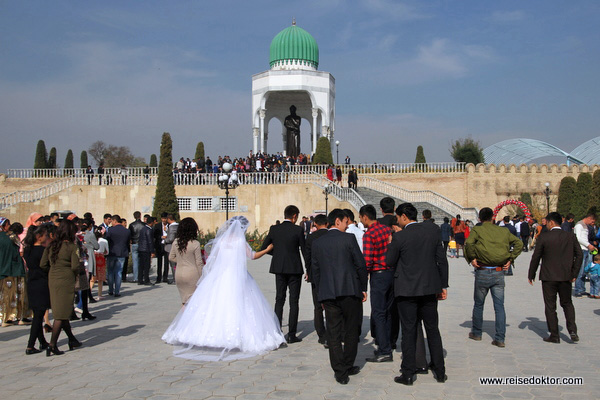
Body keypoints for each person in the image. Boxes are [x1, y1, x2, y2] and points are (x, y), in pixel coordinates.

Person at [162, 216, 283, 360]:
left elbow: (213, 258)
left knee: (215, 305)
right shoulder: (240, 241)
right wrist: (267, 249)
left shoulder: (221, 241)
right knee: (240, 305)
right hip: (238, 277)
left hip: (220, 275)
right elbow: (252, 256)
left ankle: (204, 334)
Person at [386, 203, 448, 385]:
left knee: (409, 331)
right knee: (432, 329)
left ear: (404, 216)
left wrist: (391, 244)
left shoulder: (400, 236)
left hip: (407, 291)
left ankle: (408, 373)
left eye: (398, 217)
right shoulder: (432, 232)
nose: (397, 220)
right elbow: (442, 261)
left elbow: (390, 261)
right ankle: (440, 370)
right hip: (429, 288)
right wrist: (443, 285)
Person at [312, 209, 367, 385]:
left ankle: (339, 371)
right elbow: (360, 265)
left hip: (328, 293)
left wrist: (320, 296)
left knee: (333, 333)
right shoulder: (348, 239)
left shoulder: (318, 243)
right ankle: (348, 364)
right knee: (351, 330)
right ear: (337, 221)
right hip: (350, 291)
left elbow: (316, 271)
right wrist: (363, 288)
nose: (347, 225)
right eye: (345, 222)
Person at [465, 207, 523, 348]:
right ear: (493, 217)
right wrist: (510, 258)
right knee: (499, 306)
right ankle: (500, 338)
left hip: (482, 271)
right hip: (498, 272)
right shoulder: (503, 231)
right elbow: (519, 243)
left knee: (479, 304)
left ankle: (477, 333)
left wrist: (472, 258)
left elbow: (469, 244)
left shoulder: (477, 230)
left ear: (480, 219)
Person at [528, 212, 583, 343]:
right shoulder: (570, 236)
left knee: (550, 306)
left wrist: (531, 274)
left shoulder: (544, 237)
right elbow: (579, 255)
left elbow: (536, 257)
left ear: (551, 222)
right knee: (567, 303)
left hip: (548, 276)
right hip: (566, 276)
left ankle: (554, 335)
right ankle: (572, 330)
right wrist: (574, 273)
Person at [260, 205, 306, 344]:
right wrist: (309, 268)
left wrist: (278, 253)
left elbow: (265, 248)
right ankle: (292, 334)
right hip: (294, 268)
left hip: (279, 268)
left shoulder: (274, 229)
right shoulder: (298, 229)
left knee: (279, 299)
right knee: (294, 301)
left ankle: (277, 331)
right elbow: (304, 250)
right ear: (294, 216)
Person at [40, 219, 82, 356]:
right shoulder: (72, 247)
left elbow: (43, 264)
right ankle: (52, 345)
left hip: (53, 278)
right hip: (66, 279)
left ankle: (72, 339)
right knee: (61, 314)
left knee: (61, 310)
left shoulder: (52, 245)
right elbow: (75, 266)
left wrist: (54, 270)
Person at [359, 204, 394, 363]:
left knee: (379, 313)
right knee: (388, 312)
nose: (361, 220)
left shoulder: (369, 235)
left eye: (360, 217)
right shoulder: (387, 230)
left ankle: (384, 349)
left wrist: (362, 283)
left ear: (365, 217)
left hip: (378, 275)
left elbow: (367, 261)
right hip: (391, 274)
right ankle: (387, 342)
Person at [23, 224, 51, 354]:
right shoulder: (42, 251)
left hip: (32, 282)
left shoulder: (28, 250)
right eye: (45, 235)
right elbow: (46, 267)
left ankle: (42, 342)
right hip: (42, 283)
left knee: (37, 314)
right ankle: (30, 345)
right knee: (39, 315)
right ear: (39, 237)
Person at [302, 214, 329, 347]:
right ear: (327, 223)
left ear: (315, 224)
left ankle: (321, 335)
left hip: (315, 274)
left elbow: (307, 257)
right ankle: (332, 332)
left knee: (318, 306)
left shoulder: (311, 238)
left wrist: (308, 271)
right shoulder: (332, 236)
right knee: (331, 304)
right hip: (330, 274)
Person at [168, 218, 204, 305]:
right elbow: (199, 263)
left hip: (179, 274)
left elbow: (171, 257)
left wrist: (181, 261)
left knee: (184, 301)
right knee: (193, 302)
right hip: (192, 274)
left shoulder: (176, 242)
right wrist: (202, 277)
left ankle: (182, 318)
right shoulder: (195, 243)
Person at [0, 221, 27, 327]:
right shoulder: (11, 237)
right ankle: (13, 317)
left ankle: (5, 317)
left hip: (4, 269)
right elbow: (16, 252)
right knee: (13, 294)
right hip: (12, 269)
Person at [105, 215, 131, 297]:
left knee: (110, 272)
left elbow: (107, 241)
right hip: (122, 253)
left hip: (112, 253)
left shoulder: (110, 230)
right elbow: (128, 243)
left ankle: (110, 290)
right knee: (119, 272)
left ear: (114, 221)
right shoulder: (126, 231)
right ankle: (117, 291)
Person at [574, 212, 597, 297]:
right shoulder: (579, 225)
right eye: (593, 221)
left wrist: (591, 247)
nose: (593, 224)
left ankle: (582, 289)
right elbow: (578, 238)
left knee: (584, 271)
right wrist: (588, 245)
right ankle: (578, 290)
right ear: (589, 218)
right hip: (581, 250)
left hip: (587, 249)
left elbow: (585, 238)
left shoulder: (585, 226)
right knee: (580, 270)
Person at [137, 216, 155, 286]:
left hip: (141, 248)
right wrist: (152, 251)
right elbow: (150, 241)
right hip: (146, 249)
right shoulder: (149, 230)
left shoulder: (143, 229)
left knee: (141, 265)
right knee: (147, 266)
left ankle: (140, 279)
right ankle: (146, 280)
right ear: (151, 223)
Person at [128, 211, 145, 283]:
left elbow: (129, 235)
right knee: (142, 261)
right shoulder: (144, 225)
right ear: (140, 216)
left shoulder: (131, 225)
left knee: (135, 262)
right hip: (142, 243)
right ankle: (141, 276)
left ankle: (135, 277)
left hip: (134, 243)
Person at [163, 214, 179, 284]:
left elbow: (171, 238)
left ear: (169, 219)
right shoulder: (178, 226)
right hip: (177, 246)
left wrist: (164, 240)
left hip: (171, 247)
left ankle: (175, 279)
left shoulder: (172, 227)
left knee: (173, 264)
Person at [94, 227, 109, 299]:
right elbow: (107, 252)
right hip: (101, 257)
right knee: (100, 277)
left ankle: (89, 293)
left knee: (92, 277)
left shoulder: (93, 240)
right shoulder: (104, 241)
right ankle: (99, 294)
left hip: (93, 256)